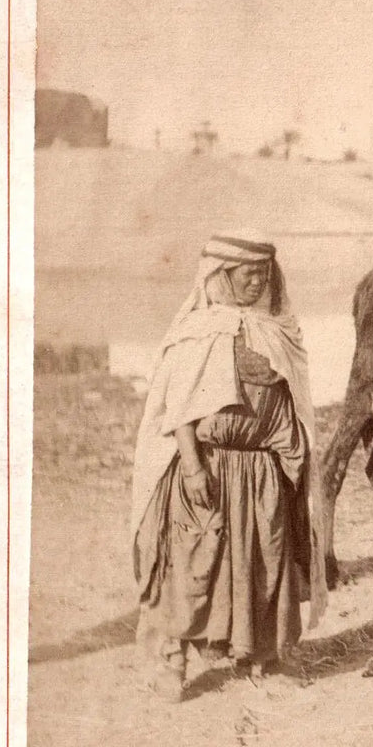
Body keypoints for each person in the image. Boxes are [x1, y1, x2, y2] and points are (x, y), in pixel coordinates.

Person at [129, 233, 322, 701]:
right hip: (208, 468)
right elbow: (177, 413)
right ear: (221, 276)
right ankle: (172, 661)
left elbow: (292, 406)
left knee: (262, 559)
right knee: (194, 562)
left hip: (263, 471)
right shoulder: (197, 333)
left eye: (263, 274)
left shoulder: (279, 332)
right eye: (246, 275)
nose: (256, 283)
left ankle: (258, 654)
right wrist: (193, 469)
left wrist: (294, 463)